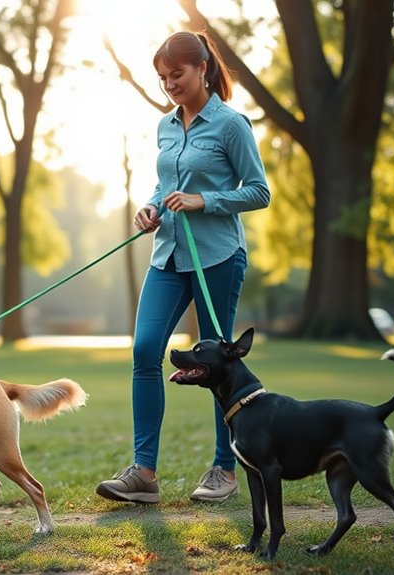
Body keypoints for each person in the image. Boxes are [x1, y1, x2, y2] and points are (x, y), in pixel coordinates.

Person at [96, 31, 270, 505]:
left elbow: (259, 191)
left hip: (217, 256)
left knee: (221, 364)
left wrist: (204, 200)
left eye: (177, 74)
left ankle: (225, 468)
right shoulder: (166, 126)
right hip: (168, 256)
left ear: (202, 70)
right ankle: (144, 473)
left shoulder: (232, 124)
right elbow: (165, 183)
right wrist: (151, 208)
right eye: (163, 78)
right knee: (145, 351)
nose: (169, 84)